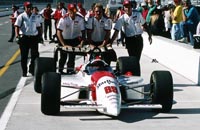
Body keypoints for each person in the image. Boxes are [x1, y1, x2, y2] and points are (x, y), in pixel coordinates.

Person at [57, 3, 85, 74]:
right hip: (64, 39)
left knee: (72, 57)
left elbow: (83, 32)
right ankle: (60, 70)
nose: (72, 12)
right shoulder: (64, 19)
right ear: (68, 11)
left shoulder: (80, 18)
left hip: (74, 39)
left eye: (74, 10)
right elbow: (59, 32)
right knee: (63, 57)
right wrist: (64, 44)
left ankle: (70, 70)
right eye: (71, 10)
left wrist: (81, 43)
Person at [15, 1, 41, 77]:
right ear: (25, 8)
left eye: (30, 7)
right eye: (27, 7)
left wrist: (40, 36)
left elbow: (38, 27)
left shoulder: (35, 16)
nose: (29, 8)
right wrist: (17, 36)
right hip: (24, 38)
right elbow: (17, 26)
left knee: (35, 55)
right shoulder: (21, 16)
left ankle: (32, 69)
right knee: (24, 56)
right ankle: (24, 71)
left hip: (33, 38)